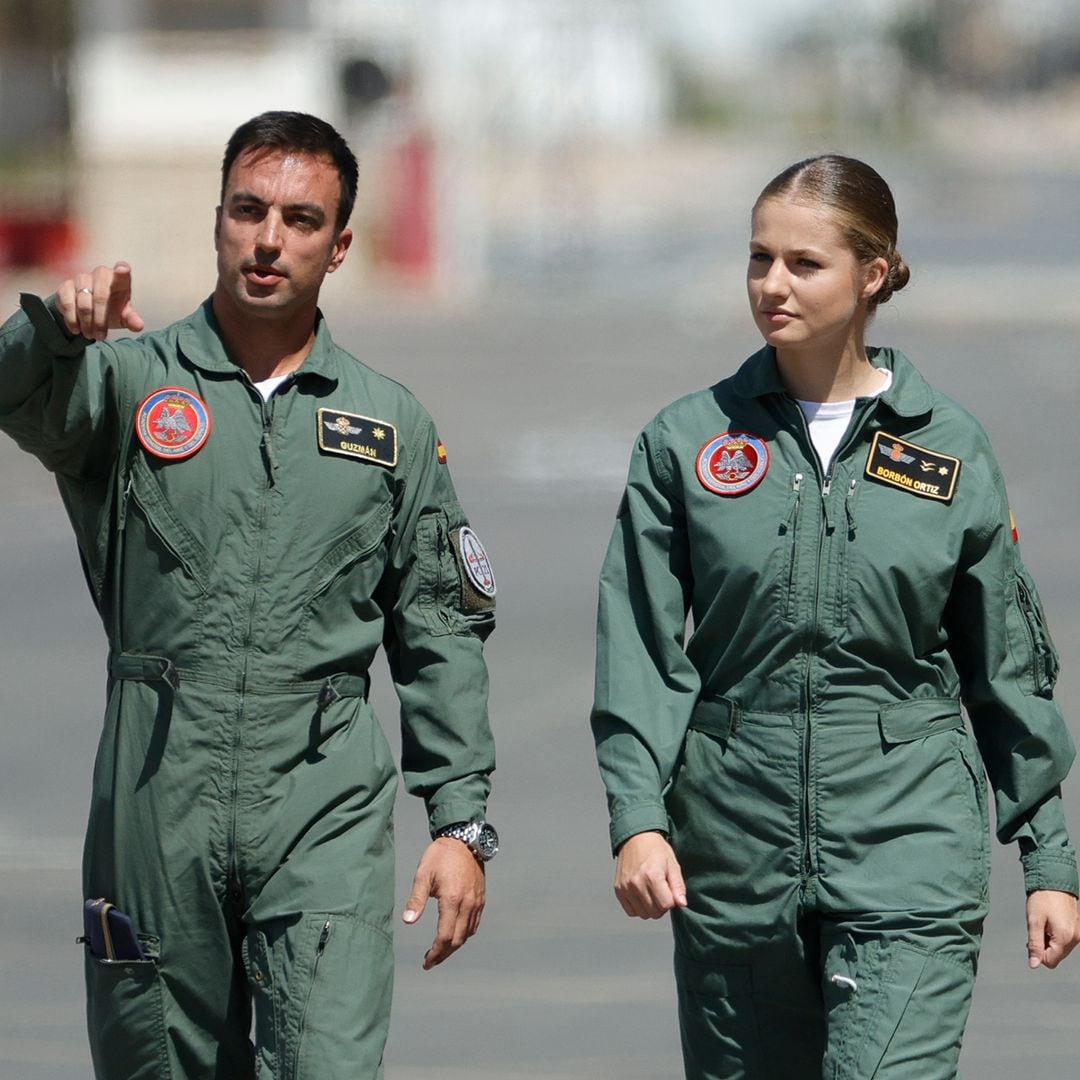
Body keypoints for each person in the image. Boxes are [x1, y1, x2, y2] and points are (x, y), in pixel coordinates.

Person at [0, 110, 500, 1079]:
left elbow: (439, 628)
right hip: (158, 792)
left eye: (302, 220)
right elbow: (16, 397)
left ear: (340, 244)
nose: (270, 239)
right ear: (219, 219)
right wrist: (55, 332)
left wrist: (460, 821)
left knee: (328, 1062)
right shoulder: (128, 382)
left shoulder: (388, 423)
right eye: (249, 210)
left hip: (321, 796)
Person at [590, 154, 1079, 1078]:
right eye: (757, 258)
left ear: (875, 274)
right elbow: (644, 650)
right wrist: (637, 818)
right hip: (732, 853)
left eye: (803, 263)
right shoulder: (687, 441)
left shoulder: (950, 449)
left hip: (907, 843)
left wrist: (1048, 858)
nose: (771, 284)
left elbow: (1005, 668)